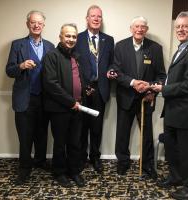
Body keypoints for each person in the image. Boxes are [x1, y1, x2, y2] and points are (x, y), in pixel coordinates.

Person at [151, 11, 188, 199]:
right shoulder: (182, 48)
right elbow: (175, 78)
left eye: (185, 26)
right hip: (173, 111)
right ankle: (175, 178)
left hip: (187, 113)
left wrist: (163, 89)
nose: (181, 29)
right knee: (173, 149)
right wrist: (160, 87)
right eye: (178, 26)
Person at [112, 16, 166, 178]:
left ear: (146, 30)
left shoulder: (155, 48)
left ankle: (148, 164)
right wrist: (133, 82)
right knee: (122, 133)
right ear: (131, 28)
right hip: (126, 97)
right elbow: (116, 72)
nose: (140, 29)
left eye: (143, 27)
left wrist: (152, 90)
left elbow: (161, 76)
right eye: (137, 26)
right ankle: (123, 162)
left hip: (146, 99)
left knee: (147, 134)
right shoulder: (120, 46)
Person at [6, 10, 55, 185]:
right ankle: (24, 168)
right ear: (28, 24)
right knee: (25, 136)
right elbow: (9, 70)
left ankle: (40, 162)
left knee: (42, 134)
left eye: (39, 23)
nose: (36, 25)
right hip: (24, 98)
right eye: (33, 22)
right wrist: (21, 65)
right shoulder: (17, 45)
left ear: (43, 25)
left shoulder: (50, 46)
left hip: (45, 99)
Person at [42, 23, 86, 188]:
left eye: (74, 36)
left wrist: (84, 90)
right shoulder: (51, 56)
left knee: (75, 142)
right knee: (60, 143)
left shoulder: (76, 56)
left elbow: (77, 79)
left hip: (77, 107)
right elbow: (51, 84)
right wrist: (71, 102)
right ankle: (59, 172)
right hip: (59, 109)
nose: (71, 39)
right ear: (60, 37)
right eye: (68, 36)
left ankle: (74, 171)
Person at [75, 5, 114, 173]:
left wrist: (112, 71)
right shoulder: (77, 38)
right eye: (93, 16)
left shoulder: (109, 39)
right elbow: (73, 64)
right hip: (83, 89)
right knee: (82, 126)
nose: (96, 19)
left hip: (101, 88)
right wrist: (83, 86)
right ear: (87, 19)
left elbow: (113, 62)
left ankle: (95, 157)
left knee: (97, 127)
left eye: (99, 16)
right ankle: (81, 157)